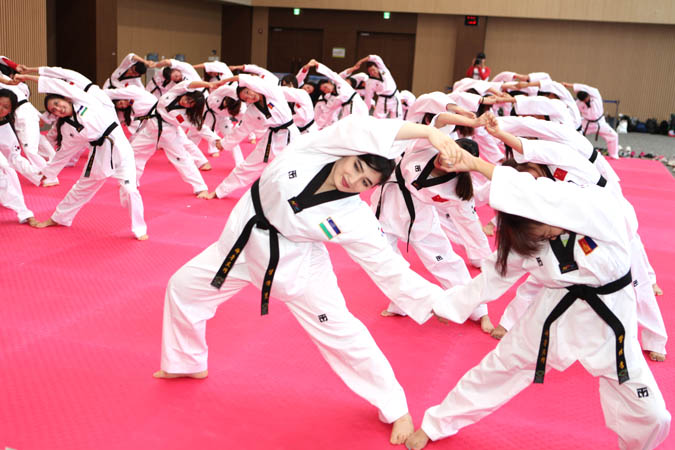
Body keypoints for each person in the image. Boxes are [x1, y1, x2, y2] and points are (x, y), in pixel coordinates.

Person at [154, 115, 467, 446]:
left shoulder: (354, 217)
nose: (352, 179)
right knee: (184, 287)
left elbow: (387, 266)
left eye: (364, 183)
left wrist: (437, 303)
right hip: (242, 246)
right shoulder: (314, 149)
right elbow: (369, 128)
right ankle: (186, 361)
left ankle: (395, 407)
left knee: (343, 333)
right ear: (347, 152)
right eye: (356, 167)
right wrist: (430, 131)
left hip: (298, 267)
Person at [404, 145, 671, 450]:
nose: (545, 235)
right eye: (538, 234)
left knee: (655, 417)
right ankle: (437, 423)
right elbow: (492, 279)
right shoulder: (525, 235)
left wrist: (475, 163)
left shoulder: (595, 204)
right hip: (555, 313)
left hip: (612, 323)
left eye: (543, 226)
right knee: (499, 367)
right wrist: (450, 307)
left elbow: (544, 197)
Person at [15, 68, 148, 240]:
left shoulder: (84, 100)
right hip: (99, 154)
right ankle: (59, 218)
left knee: (130, 190)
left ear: (65, 98)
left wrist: (27, 76)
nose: (57, 109)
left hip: (120, 148)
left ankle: (139, 228)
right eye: (53, 110)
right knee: (81, 188)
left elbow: (59, 82)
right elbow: (63, 153)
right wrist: (47, 174)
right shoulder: (67, 128)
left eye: (57, 103)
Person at [202, 74, 298, 199]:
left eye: (248, 92)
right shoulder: (252, 111)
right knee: (247, 166)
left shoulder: (271, 91)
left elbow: (244, 77)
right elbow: (241, 131)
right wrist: (224, 144)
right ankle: (219, 191)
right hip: (272, 138)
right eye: (246, 98)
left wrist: (224, 81)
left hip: (292, 137)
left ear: (251, 87)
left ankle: (294, 196)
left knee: (294, 167)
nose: (250, 97)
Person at [129, 80, 214, 196]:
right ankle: (132, 181)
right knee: (135, 154)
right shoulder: (174, 93)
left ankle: (201, 187)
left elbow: (200, 127)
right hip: (150, 131)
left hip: (169, 135)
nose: (186, 103)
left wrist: (215, 139)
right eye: (188, 99)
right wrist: (207, 84)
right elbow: (189, 84)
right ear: (186, 94)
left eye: (190, 104)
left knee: (182, 160)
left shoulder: (185, 116)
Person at [564, 81, 619, 159]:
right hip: (586, 123)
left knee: (613, 135)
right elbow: (571, 110)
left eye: (586, 98)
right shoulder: (578, 103)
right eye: (584, 100)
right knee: (574, 133)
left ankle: (614, 156)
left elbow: (585, 87)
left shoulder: (595, 95)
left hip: (600, 122)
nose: (586, 100)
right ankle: (574, 152)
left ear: (588, 95)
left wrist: (569, 85)